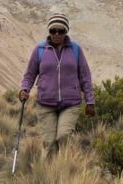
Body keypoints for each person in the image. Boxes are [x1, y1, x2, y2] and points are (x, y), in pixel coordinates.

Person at [18, 12, 96, 155]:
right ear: (49, 31)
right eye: (53, 31)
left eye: (61, 31)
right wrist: (24, 89)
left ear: (66, 32)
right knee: (49, 143)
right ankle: (50, 174)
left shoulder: (75, 50)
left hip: (71, 103)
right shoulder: (40, 50)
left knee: (63, 137)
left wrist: (90, 101)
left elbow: (85, 76)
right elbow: (29, 74)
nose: (57, 34)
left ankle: (65, 170)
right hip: (45, 103)